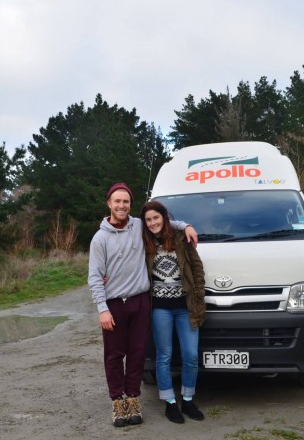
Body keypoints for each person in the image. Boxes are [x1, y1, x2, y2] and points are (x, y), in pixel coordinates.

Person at [88, 183, 197, 427]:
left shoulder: (138, 226)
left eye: (126, 202)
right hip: (114, 304)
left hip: (140, 301)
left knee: (137, 354)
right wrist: (102, 308)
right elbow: (94, 276)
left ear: (130, 205)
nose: (122, 206)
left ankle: (134, 400)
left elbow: (163, 222)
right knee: (115, 356)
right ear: (109, 204)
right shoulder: (100, 238)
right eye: (117, 201)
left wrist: (186, 225)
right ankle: (118, 403)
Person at [141, 200, 206, 424]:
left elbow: (196, 267)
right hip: (160, 309)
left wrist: (199, 296)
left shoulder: (181, 238)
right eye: (148, 219)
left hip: (185, 307)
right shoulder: (143, 242)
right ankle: (169, 403)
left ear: (164, 218)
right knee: (164, 356)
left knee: (190, 355)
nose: (152, 223)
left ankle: (187, 400)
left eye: (156, 218)